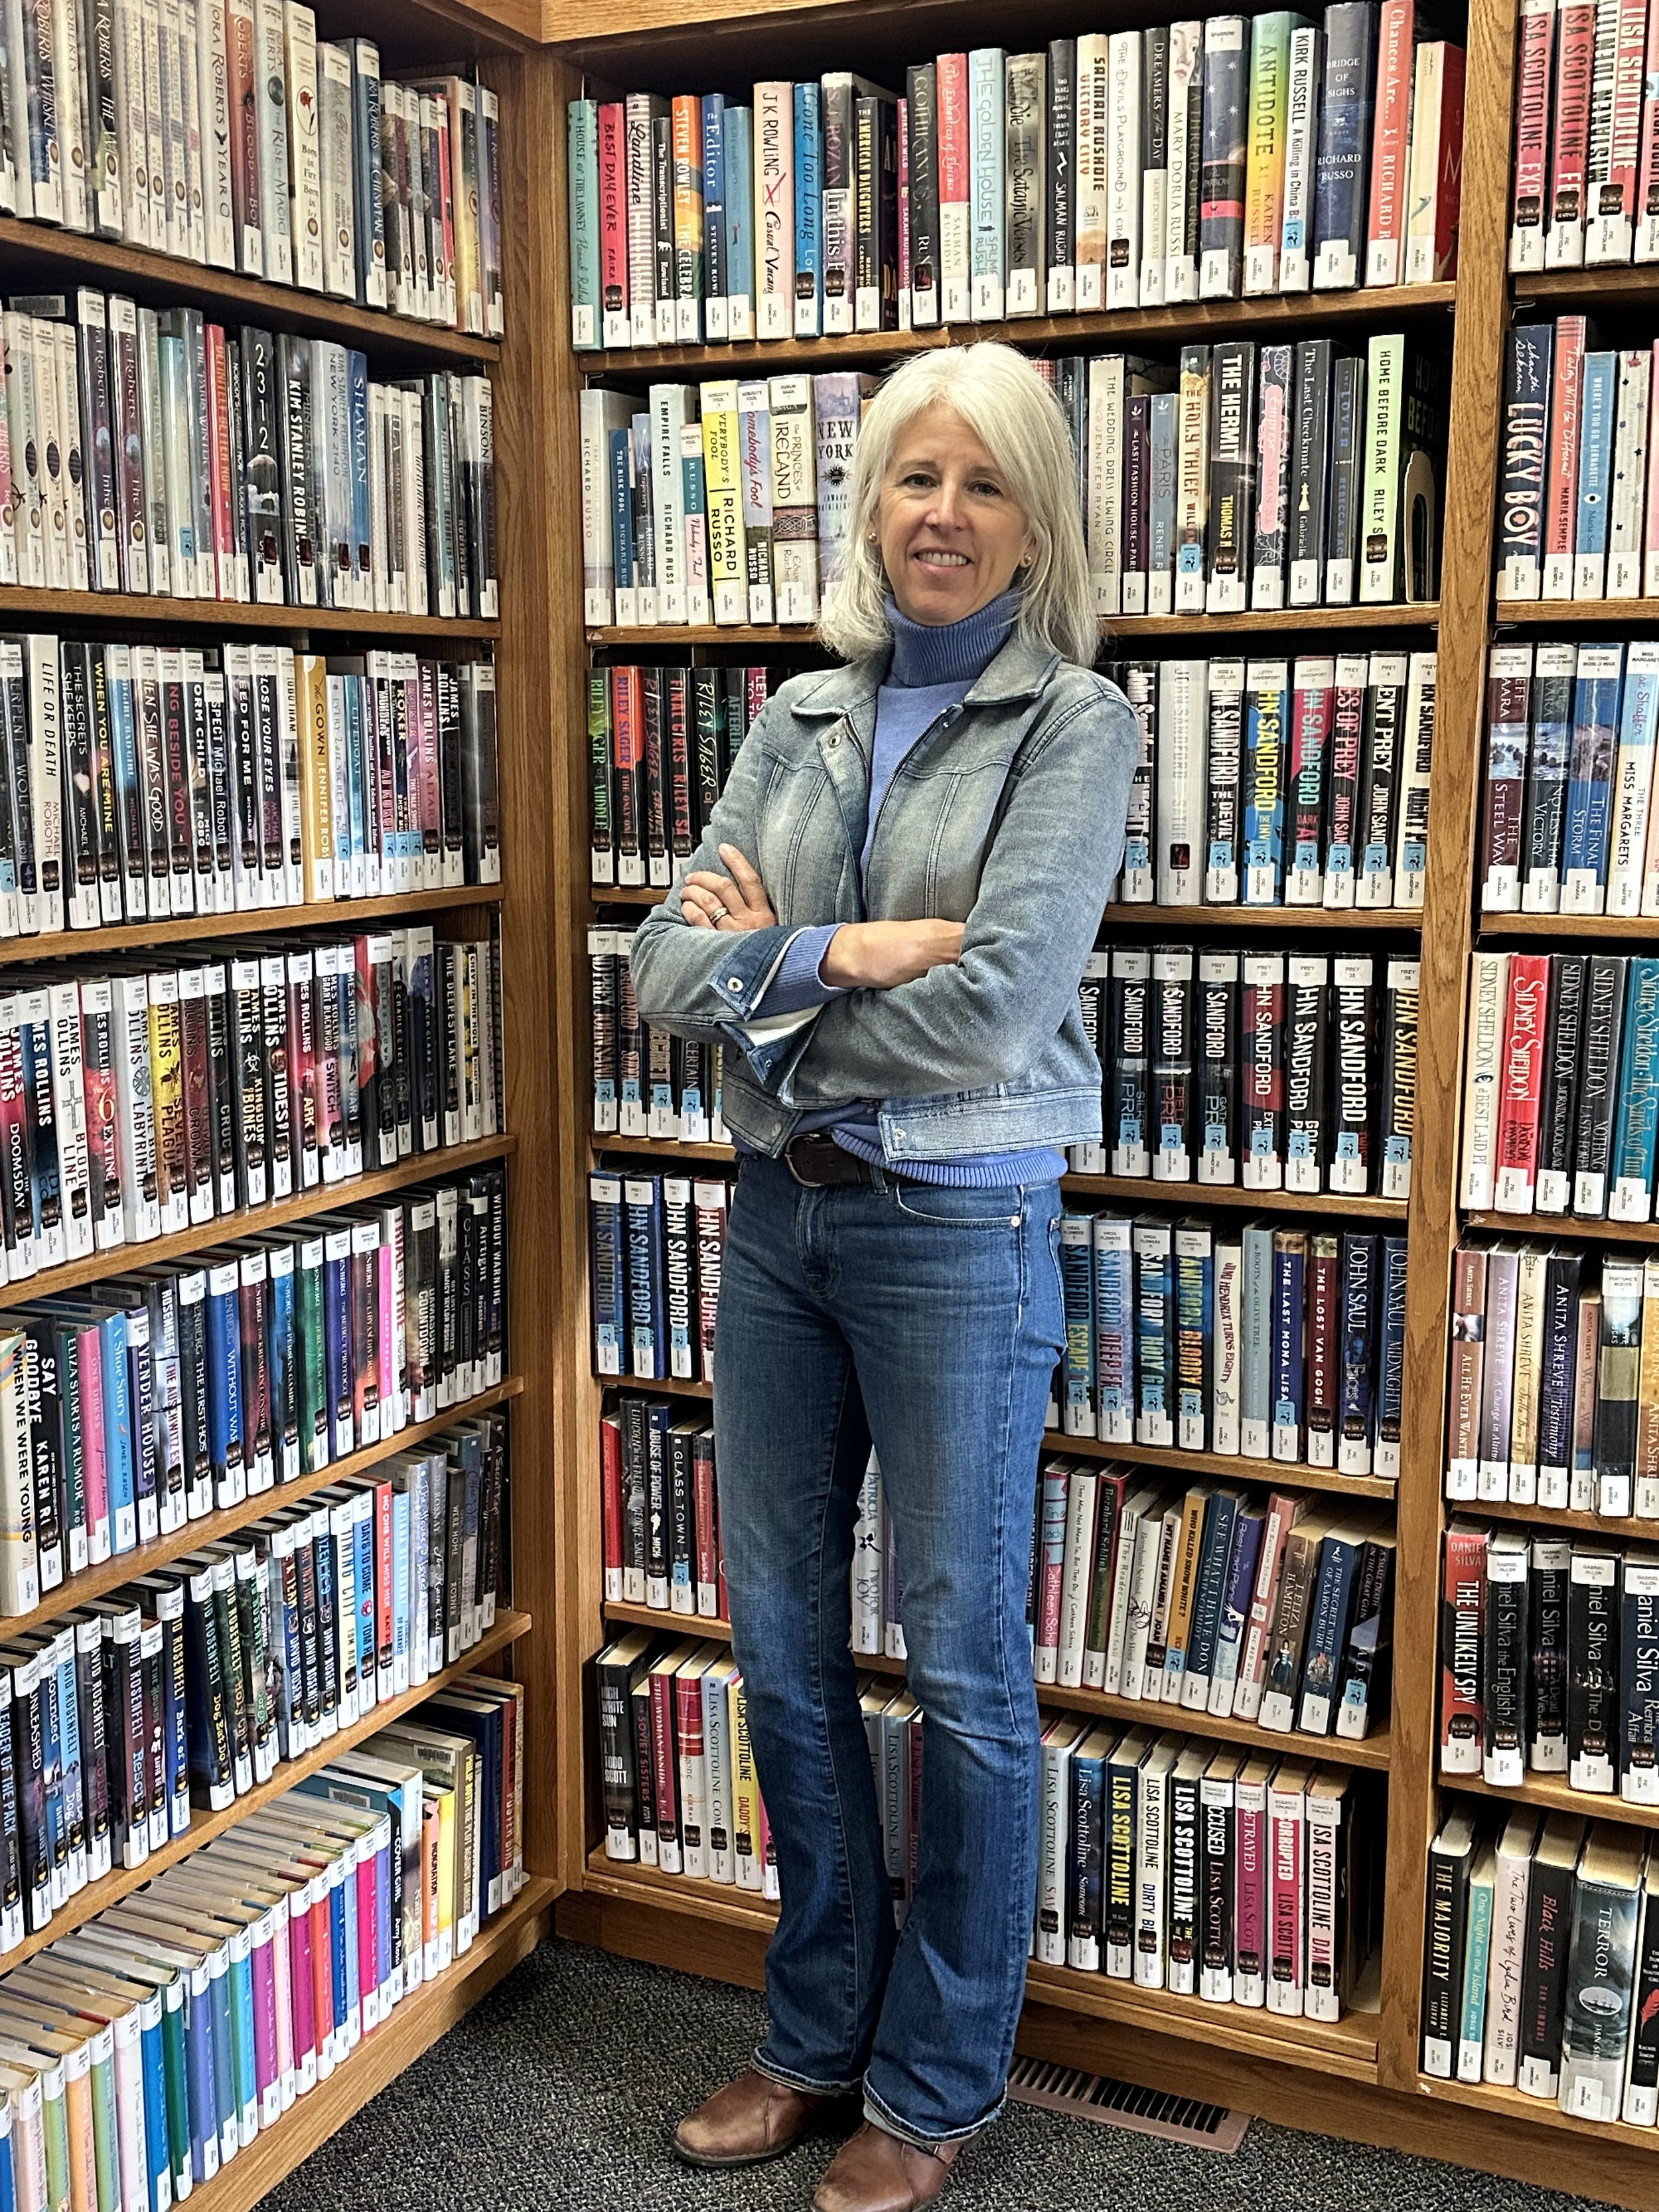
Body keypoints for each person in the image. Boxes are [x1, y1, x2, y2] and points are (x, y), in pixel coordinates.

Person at [629, 340, 1137, 2212]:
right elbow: (651, 973)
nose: (943, 515)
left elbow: (1002, 1002)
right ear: (870, 505)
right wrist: (854, 951)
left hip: (953, 1232)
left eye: (983, 484)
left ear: (1031, 521)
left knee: (962, 1666)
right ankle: (810, 2032)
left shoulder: (1072, 725)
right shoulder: (800, 715)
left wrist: (770, 984)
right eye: (915, 479)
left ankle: (931, 2085)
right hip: (780, 1230)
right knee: (773, 1640)